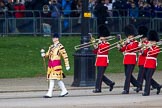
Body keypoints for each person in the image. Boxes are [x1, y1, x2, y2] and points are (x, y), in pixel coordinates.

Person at [41, 32, 70, 98]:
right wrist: (44, 55)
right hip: (51, 64)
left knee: (52, 78)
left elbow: (65, 56)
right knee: (58, 79)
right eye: (53, 38)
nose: (53, 39)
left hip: (56, 64)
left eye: (54, 38)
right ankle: (64, 90)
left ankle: (49, 93)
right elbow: (47, 54)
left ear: (57, 38)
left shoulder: (60, 46)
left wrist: (67, 64)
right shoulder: (51, 46)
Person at [117, 24, 141, 94]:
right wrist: (119, 47)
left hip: (132, 59)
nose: (130, 37)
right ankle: (138, 85)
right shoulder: (127, 43)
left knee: (128, 75)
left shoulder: (136, 43)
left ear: (133, 36)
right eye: (129, 36)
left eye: (131, 36)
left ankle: (126, 89)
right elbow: (123, 50)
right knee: (127, 75)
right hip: (126, 60)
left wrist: (127, 43)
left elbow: (132, 49)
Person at [92, 24, 115, 93]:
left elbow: (103, 50)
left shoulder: (107, 44)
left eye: (102, 37)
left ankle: (98, 88)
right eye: (100, 37)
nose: (100, 38)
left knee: (99, 75)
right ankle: (110, 83)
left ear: (105, 37)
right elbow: (96, 51)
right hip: (98, 60)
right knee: (100, 74)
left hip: (104, 60)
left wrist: (99, 44)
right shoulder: (100, 44)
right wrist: (95, 45)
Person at [142, 30, 162, 96]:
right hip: (146, 63)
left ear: (155, 41)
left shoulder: (157, 48)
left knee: (148, 77)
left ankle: (146, 92)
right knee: (145, 76)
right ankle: (157, 86)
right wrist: (143, 48)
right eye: (150, 41)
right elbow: (144, 54)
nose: (151, 42)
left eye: (152, 41)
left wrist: (150, 47)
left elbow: (153, 54)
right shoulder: (148, 48)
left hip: (152, 64)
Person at [134, 25, 149, 92]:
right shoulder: (142, 43)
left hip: (145, 61)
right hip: (141, 61)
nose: (142, 39)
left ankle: (139, 87)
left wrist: (141, 47)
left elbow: (145, 53)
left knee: (141, 75)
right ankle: (155, 85)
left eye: (143, 37)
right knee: (145, 75)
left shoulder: (147, 43)